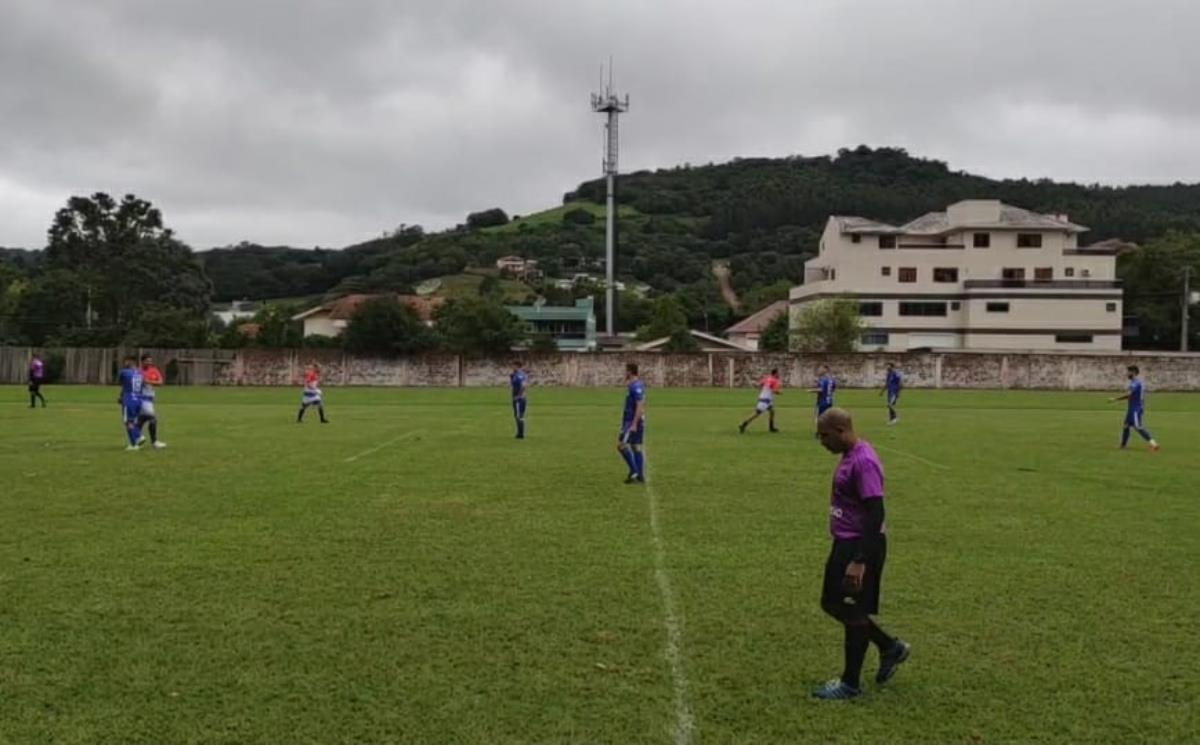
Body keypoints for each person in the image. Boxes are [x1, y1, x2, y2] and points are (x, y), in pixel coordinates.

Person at [812, 407, 910, 700]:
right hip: (846, 542)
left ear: (841, 431)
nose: (822, 442)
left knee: (852, 609)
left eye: (824, 436)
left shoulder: (864, 461)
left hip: (860, 545)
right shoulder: (849, 454)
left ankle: (851, 683)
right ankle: (890, 647)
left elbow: (875, 511)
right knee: (832, 602)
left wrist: (859, 561)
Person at [1109, 365, 1159, 451]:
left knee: (1137, 426)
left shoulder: (1136, 383)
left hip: (1136, 408)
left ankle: (1154, 444)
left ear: (1134, 372)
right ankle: (1123, 446)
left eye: (1129, 372)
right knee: (1126, 426)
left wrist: (1115, 399)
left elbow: (1129, 394)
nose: (1127, 373)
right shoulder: (1134, 382)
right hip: (1131, 408)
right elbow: (1130, 396)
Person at [617, 362, 646, 484]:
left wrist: (634, 423)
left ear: (630, 371)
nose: (625, 373)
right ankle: (640, 476)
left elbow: (640, 405)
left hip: (632, 421)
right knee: (635, 446)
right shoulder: (634, 384)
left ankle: (635, 471)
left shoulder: (636, 386)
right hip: (631, 420)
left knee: (621, 445)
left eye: (626, 371)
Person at [136, 354, 167, 449]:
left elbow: (160, 382)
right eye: (147, 361)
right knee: (153, 419)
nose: (149, 363)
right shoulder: (138, 372)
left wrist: (148, 381)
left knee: (141, 420)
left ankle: (135, 439)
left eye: (150, 361)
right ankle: (154, 442)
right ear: (142, 362)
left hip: (150, 399)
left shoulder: (154, 370)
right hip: (141, 399)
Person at [739, 368, 782, 434]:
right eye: (778, 373)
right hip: (766, 399)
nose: (779, 374)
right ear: (775, 374)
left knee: (772, 411)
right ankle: (743, 424)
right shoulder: (775, 381)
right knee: (757, 414)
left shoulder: (767, 378)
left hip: (765, 398)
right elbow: (774, 391)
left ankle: (771, 427)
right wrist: (779, 393)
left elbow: (760, 384)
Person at [117, 356, 145, 451]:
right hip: (139, 399)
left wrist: (122, 397)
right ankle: (133, 445)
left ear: (131, 362)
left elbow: (121, 383)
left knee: (128, 421)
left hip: (129, 399)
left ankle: (138, 435)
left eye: (126, 361)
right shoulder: (140, 373)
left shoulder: (124, 372)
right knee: (132, 421)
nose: (125, 363)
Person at [809, 365, 837, 434]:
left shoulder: (823, 380)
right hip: (829, 401)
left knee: (819, 417)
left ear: (825, 370)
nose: (819, 370)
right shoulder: (832, 380)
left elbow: (821, 390)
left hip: (822, 401)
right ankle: (828, 431)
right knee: (827, 417)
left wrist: (811, 390)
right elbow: (833, 389)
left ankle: (820, 432)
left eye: (821, 369)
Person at [510, 360, 529, 439]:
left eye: (513, 365)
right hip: (517, 398)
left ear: (517, 366)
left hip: (519, 399)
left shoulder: (520, 375)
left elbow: (524, 386)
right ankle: (519, 432)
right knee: (517, 415)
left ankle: (520, 434)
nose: (512, 367)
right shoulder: (515, 374)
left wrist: (519, 395)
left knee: (519, 415)